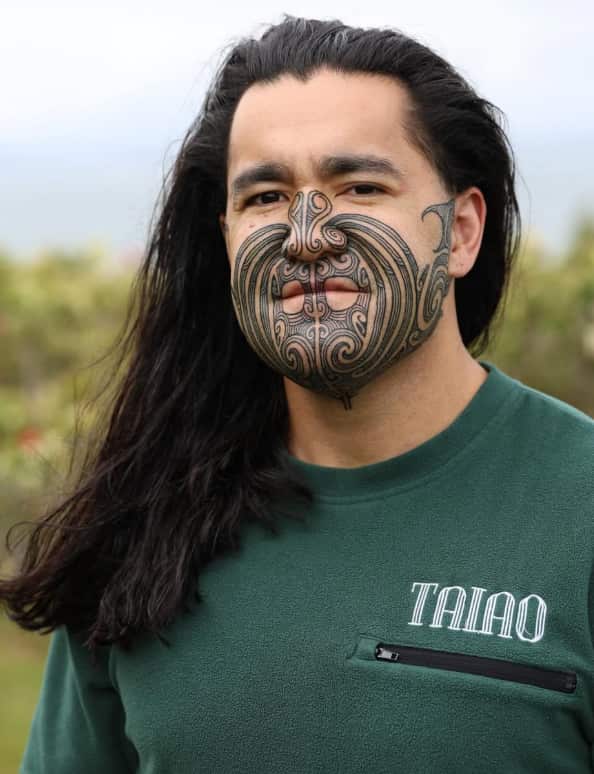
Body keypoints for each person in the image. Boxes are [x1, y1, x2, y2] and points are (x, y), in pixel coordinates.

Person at [3, 14, 594, 774]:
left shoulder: (577, 508)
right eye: (265, 196)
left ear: (462, 231)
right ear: (225, 237)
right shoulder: (143, 528)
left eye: (361, 186)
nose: (307, 235)